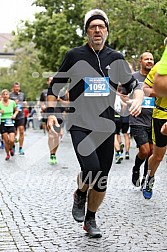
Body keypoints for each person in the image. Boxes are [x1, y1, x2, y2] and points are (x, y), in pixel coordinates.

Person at [47, 9, 143, 238]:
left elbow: (133, 86)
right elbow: (54, 89)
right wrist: (52, 113)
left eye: (101, 26)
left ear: (107, 31)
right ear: (87, 31)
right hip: (80, 124)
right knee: (91, 169)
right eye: (93, 27)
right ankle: (81, 193)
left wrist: (138, 98)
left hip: (106, 126)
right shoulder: (74, 55)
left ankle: (90, 219)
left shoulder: (116, 58)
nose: (97, 30)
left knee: (101, 180)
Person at [142, 49, 167, 199]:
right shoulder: (160, 67)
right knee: (158, 156)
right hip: (161, 115)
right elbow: (145, 89)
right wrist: (160, 91)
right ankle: (150, 176)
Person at [129, 52, 154, 189]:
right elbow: (122, 95)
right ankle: (136, 168)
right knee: (144, 151)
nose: (149, 61)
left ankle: (145, 177)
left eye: (151, 59)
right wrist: (130, 102)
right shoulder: (134, 78)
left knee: (151, 152)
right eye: (146, 59)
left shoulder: (158, 78)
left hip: (154, 119)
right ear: (141, 61)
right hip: (137, 119)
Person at [0, 89, 18, 160]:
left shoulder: (12, 102)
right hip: (3, 122)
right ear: (2, 96)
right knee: (6, 140)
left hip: (10, 122)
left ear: (9, 95)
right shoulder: (0, 103)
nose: (5, 96)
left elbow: (16, 110)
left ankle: (11, 148)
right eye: (3, 94)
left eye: (6, 94)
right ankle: (7, 154)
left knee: (12, 140)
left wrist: (14, 115)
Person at [10, 82, 26, 155]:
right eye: (15, 87)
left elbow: (24, 102)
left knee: (22, 131)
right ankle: (13, 146)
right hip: (12, 116)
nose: (17, 88)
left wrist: (25, 104)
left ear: (19, 88)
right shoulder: (10, 95)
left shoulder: (22, 94)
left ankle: (20, 148)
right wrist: (13, 102)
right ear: (13, 88)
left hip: (21, 115)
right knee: (14, 133)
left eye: (18, 87)